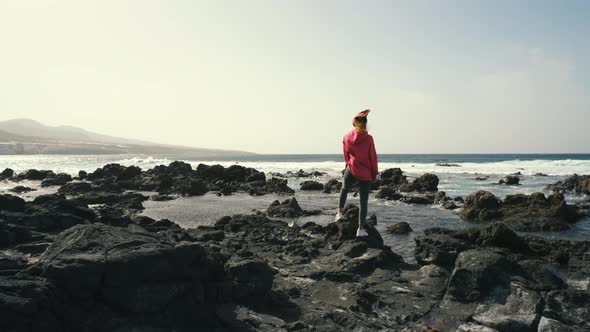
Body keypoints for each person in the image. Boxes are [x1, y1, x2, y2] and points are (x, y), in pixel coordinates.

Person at [335, 109, 378, 237]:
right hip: (365, 173)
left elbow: (346, 154)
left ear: (354, 123)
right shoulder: (369, 139)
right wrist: (374, 173)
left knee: (344, 189)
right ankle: (360, 229)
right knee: (363, 202)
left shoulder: (346, 137)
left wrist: (348, 164)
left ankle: (339, 213)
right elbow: (372, 158)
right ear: (365, 124)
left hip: (351, 168)